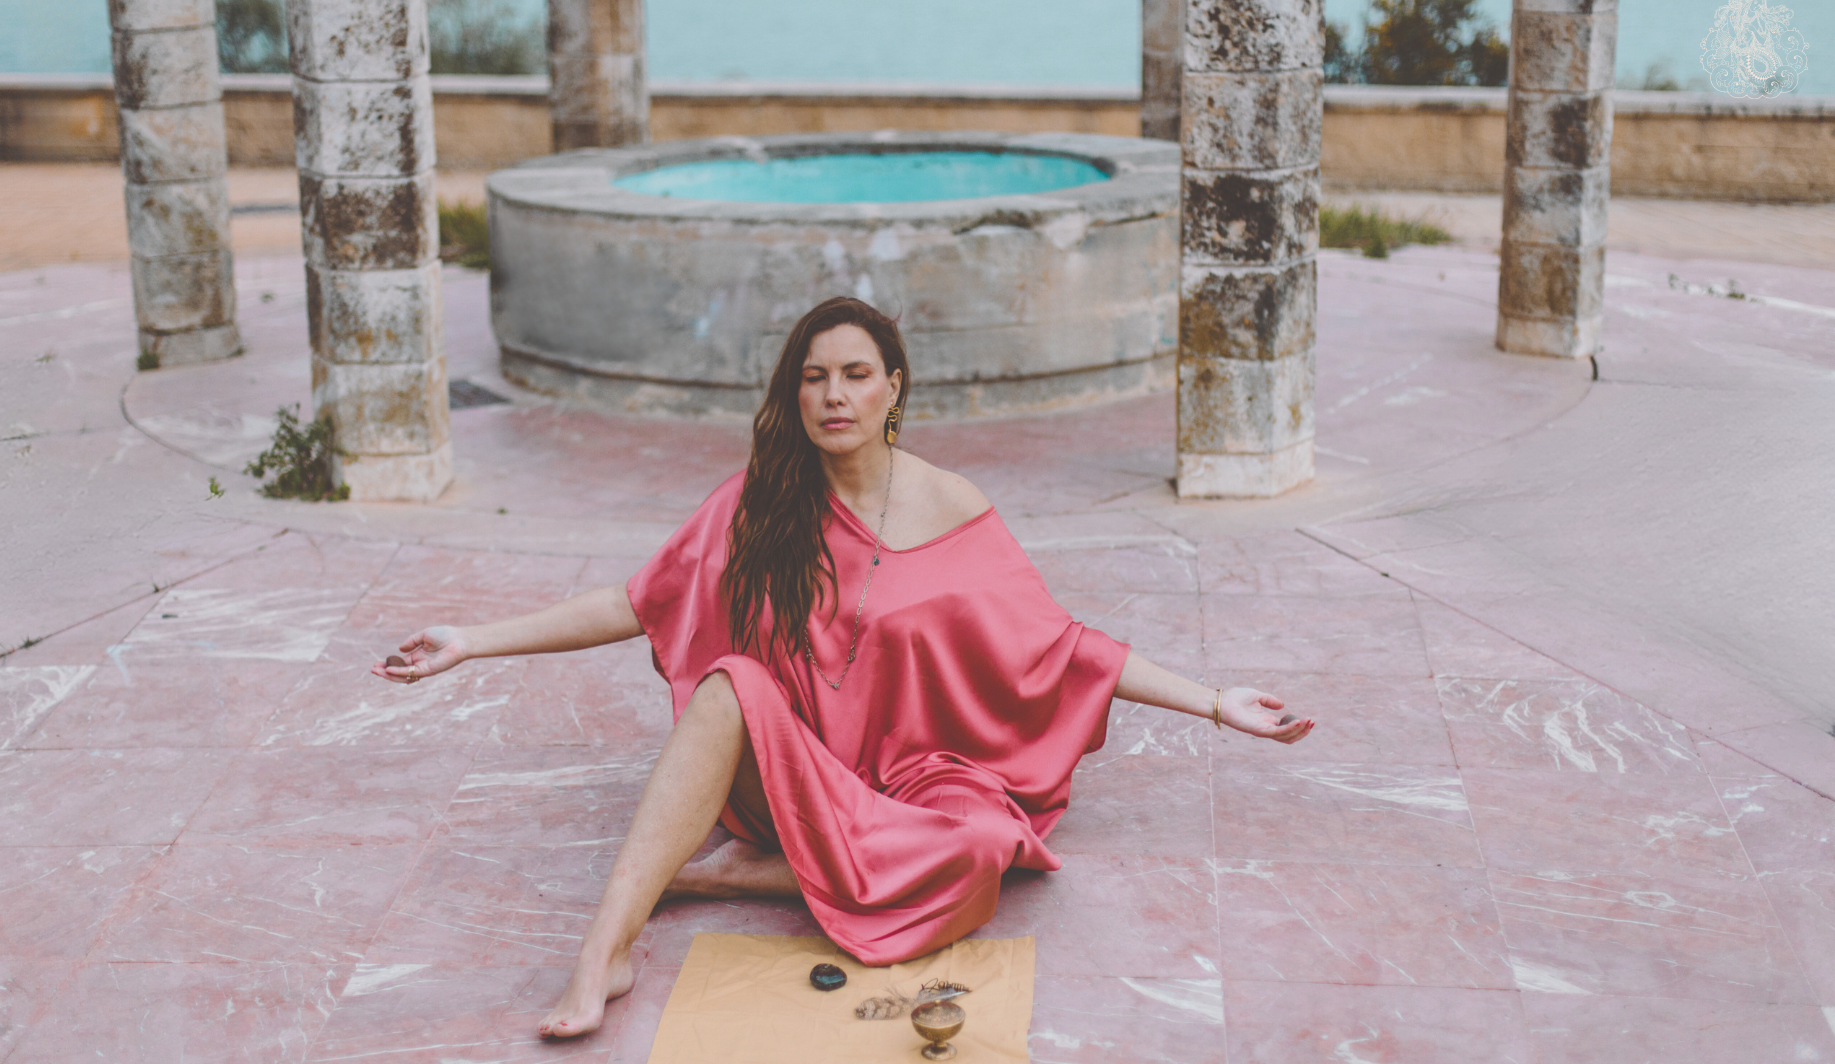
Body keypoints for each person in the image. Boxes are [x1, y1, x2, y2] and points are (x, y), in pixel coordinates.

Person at [371, 297, 1314, 1039]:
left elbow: (1064, 646)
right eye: (814, 378)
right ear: (794, 396)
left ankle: (713, 877)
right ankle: (601, 951)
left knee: (987, 848)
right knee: (734, 681)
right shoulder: (760, 503)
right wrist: (472, 642)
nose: (833, 395)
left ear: (893, 387)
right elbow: (633, 602)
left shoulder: (950, 502)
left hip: (907, 784)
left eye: (856, 375)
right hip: (788, 776)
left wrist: (1218, 703)